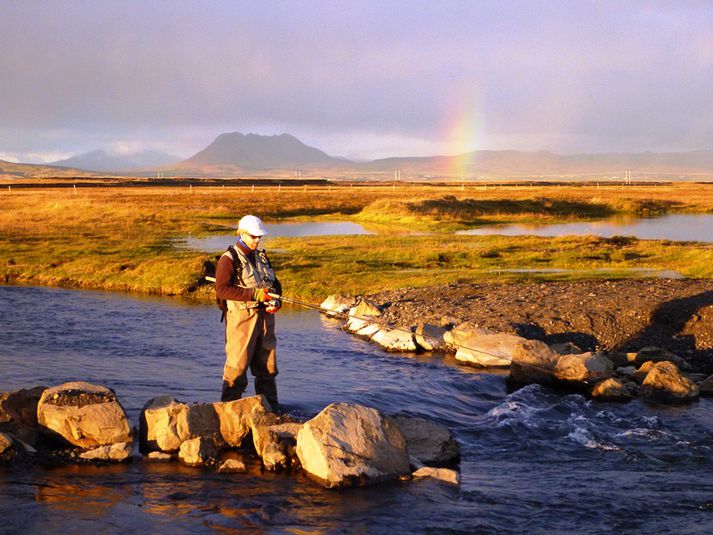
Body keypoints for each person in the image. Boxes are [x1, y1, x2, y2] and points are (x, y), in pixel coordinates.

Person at [215, 214, 282, 408]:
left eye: (259, 236)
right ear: (242, 234)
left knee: (268, 368)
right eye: (253, 236)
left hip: (265, 320)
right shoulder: (228, 259)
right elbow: (222, 289)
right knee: (237, 367)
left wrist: (276, 302)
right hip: (241, 321)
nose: (257, 240)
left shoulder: (262, 257)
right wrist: (255, 295)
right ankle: (228, 411)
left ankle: (271, 410)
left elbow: (276, 286)